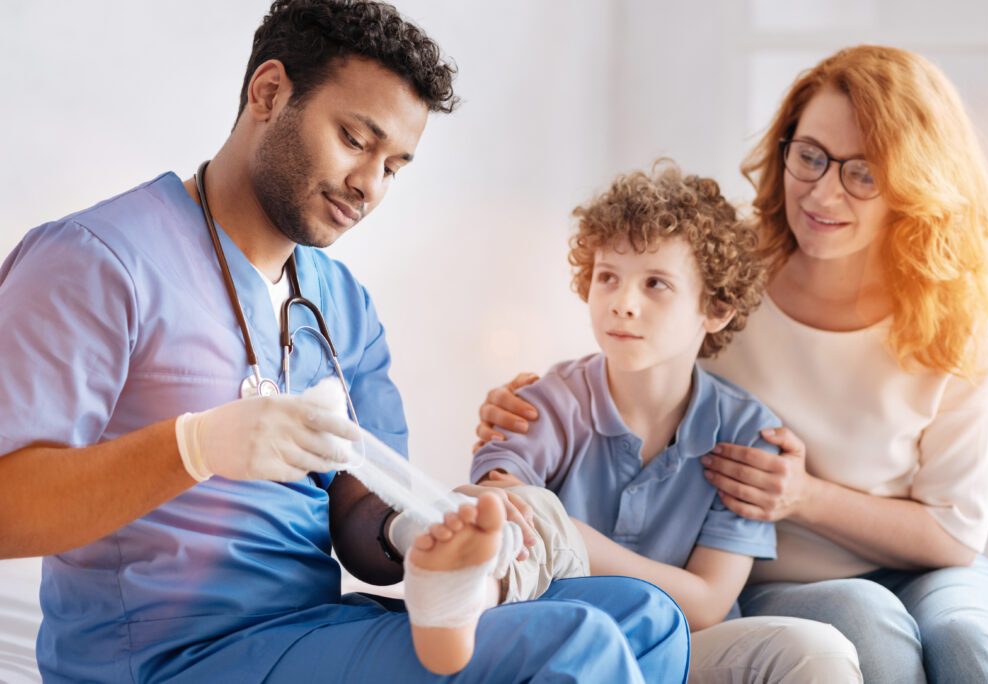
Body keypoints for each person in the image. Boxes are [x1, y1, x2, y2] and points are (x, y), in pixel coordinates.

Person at [0, 1, 690, 682]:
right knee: (570, 645)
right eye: (356, 140)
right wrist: (194, 447)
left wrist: (421, 536)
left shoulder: (340, 302)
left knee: (647, 619)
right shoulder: (96, 261)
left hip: (304, 631)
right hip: (165, 657)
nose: (368, 186)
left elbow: (361, 512)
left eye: (393, 167)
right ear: (268, 92)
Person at [474, 45, 988, 683]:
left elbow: (955, 537)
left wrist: (805, 496)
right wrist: (523, 412)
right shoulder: (723, 279)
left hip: (929, 570)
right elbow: (631, 375)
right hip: (769, 576)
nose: (822, 191)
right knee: (867, 616)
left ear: (912, 184)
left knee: (967, 636)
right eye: (811, 156)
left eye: (862, 173)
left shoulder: (954, 325)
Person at [471, 161, 862, 683]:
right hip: (568, 646)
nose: (623, 305)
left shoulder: (748, 434)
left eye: (656, 283)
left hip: (685, 652)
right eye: (607, 278)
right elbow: (494, 502)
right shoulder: (545, 402)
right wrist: (522, 508)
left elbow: (705, 603)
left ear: (715, 308)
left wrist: (570, 537)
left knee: (818, 651)